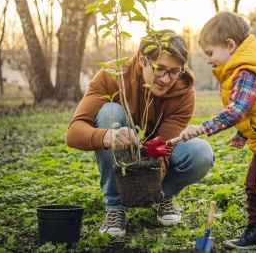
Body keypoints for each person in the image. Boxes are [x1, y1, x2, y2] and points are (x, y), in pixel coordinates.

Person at [178, 11, 256, 250]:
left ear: (230, 46)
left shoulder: (247, 72)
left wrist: (201, 128)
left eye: (210, 52)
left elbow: (237, 111)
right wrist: (242, 134)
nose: (208, 60)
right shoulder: (238, 72)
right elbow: (255, 110)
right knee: (252, 185)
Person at [66, 29, 214, 237]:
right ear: (142, 60)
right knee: (110, 111)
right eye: (159, 69)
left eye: (174, 71)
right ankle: (116, 207)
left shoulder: (184, 91)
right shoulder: (112, 75)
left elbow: (165, 147)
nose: (165, 79)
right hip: (121, 152)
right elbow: (73, 133)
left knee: (201, 152)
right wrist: (108, 137)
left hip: (155, 153)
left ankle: (162, 196)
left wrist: (150, 189)